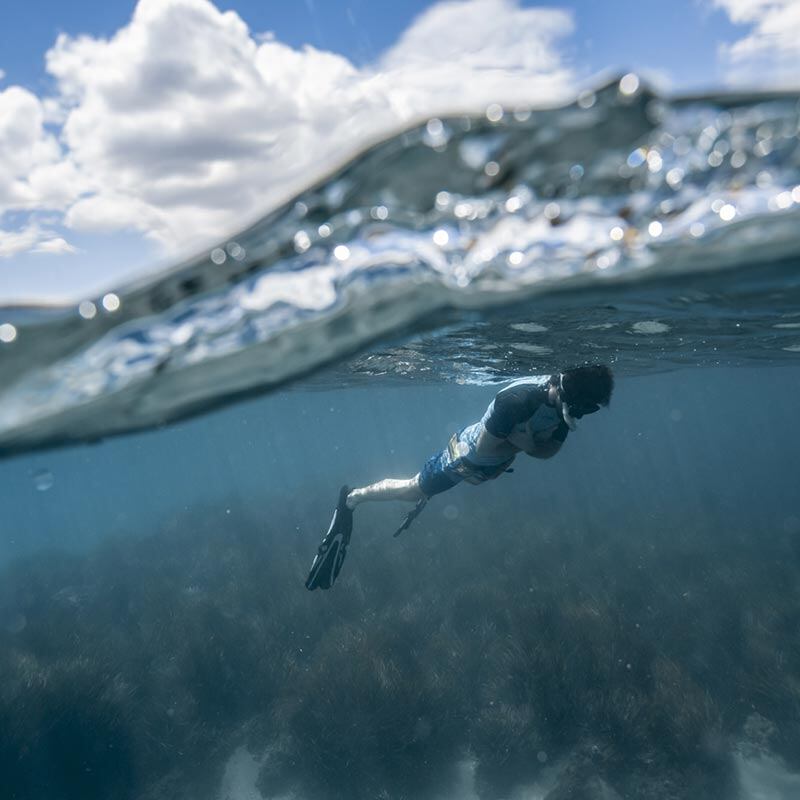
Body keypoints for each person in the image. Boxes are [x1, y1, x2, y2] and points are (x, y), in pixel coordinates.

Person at [305, 364, 614, 590]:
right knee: (413, 488)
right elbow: (486, 446)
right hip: (464, 456)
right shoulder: (516, 401)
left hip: (490, 463)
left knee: (421, 491)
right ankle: (352, 498)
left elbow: (550, 452)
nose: (583, 415)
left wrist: (523, 444)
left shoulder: (565, 407)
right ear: (567, 391)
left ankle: (374, 497)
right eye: (583, 408)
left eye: (591, 411)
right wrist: (527, 444)